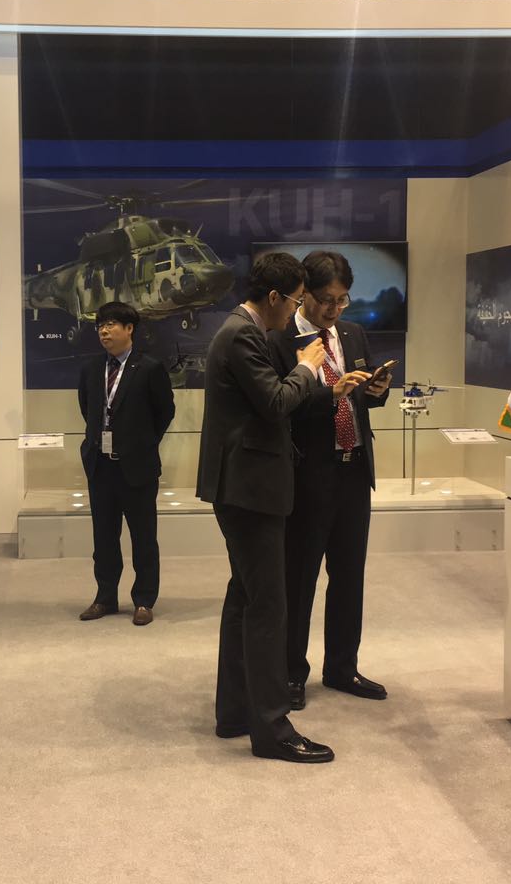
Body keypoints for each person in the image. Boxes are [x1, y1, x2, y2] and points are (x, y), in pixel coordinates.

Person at [197, 252, 360, 764]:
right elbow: (275, 402)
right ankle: (271, 728)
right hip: (250, 489)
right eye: (295, 301)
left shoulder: (243, 331)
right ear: (274, 297)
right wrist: (309, 367)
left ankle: (234, 712)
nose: (296, 312)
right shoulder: (242, 335)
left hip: (246, 487)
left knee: (245, 600)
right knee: (268, 607)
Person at [268, 251, 393, 711]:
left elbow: (363, 399)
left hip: (354, 469)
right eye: (325, 300)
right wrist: (329, 394)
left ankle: (342, 666)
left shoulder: (353, 333)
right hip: (308, 474)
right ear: (304, 293)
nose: (334, 309)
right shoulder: (281, 339)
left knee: (348, 576)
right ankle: (290, 673)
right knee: (299, 580)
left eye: (342, 300)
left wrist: (376, 391)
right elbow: (279, 407)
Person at [76, 302, 175, 626]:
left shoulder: (149, 368)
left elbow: (165, 411)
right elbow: (87, 408)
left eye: (111, 325)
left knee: (143, 538)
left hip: (137, 467)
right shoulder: (91, 368)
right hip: (101, 466)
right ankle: (105, 597)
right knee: (104, 538)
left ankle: (144, 600)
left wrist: (142, 442)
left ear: (129, 329)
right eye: (100, 326)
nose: (104, 332)